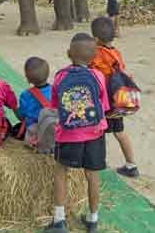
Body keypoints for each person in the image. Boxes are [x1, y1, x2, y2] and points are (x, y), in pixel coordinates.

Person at [45, 33, 109, 233]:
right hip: (95, 134)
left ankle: (59, 220)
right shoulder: (97, 76)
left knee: (61, 172)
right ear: (94, 57)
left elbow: (56, 107)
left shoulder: (60, 76)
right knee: (92, 176)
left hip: (68, 135)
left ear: (68, 54)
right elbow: (103, 106)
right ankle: (92, 220)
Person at [90, 17, 139, 178]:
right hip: (117, 101)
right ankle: (131, 164)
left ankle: (99, 163)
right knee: (119, 131)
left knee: (98, 132)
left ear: (96, 39)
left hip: (103, 101)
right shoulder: (116, 53)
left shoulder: (97, 54)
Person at [16, 56, 52, 130]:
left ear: (28, 79)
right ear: (48, 75)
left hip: (32, 133)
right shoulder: (55, 91)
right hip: (51, 130)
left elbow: (21, 116)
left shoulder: (26, 95)